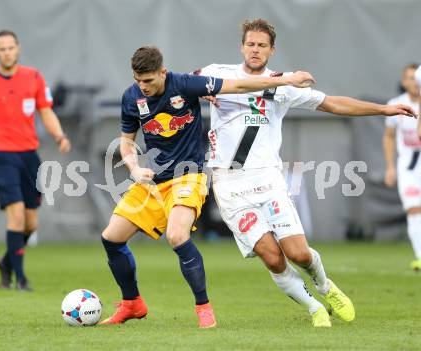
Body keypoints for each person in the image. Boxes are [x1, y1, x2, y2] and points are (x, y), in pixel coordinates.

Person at [195, 19, 417, 327]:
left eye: (262, 45)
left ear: (272, 50)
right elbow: (186, 82)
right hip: (229, 183)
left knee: (298, 254)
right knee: (272, 257)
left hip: (268, 179)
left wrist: (383, 110)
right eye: (250, 44)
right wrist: (200, 90)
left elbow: (334, 104)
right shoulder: (218, 74)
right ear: (241, 46)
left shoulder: (283, 86)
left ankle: (326, 286)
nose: (255, 50)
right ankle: (314, 308)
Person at [99, 46, 315, 328]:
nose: (144, 87)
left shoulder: (185, 84)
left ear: (162, 73)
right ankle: (132, 303)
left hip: (188, 176)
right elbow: (126, 140)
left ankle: (204, 308)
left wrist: (286, 79)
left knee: (176, 235)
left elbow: (238, 84)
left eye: (149, 81)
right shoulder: (131, 97)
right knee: (111, 238)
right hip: (153, 181)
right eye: (139, 81)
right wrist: (135, 167)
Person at [0, 30, 71, 290]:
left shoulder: (33, 77)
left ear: (18, 49)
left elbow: (46, 111)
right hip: (0, 156)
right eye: (2, 49)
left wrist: (59, 136)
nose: (7, 52)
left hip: (29, 156)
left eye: (11, 47)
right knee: (16, 216)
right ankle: (19, 279)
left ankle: (7, 261)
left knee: (31, 223)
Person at [383, 63, 421, 270]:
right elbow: (388, 137)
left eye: (417, 78)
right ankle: (420, 256)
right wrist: (390, 166)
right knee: (414, 209)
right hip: (408, 166)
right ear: (404, 81)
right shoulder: (396, 105)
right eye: (409, 78)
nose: (414, 82)